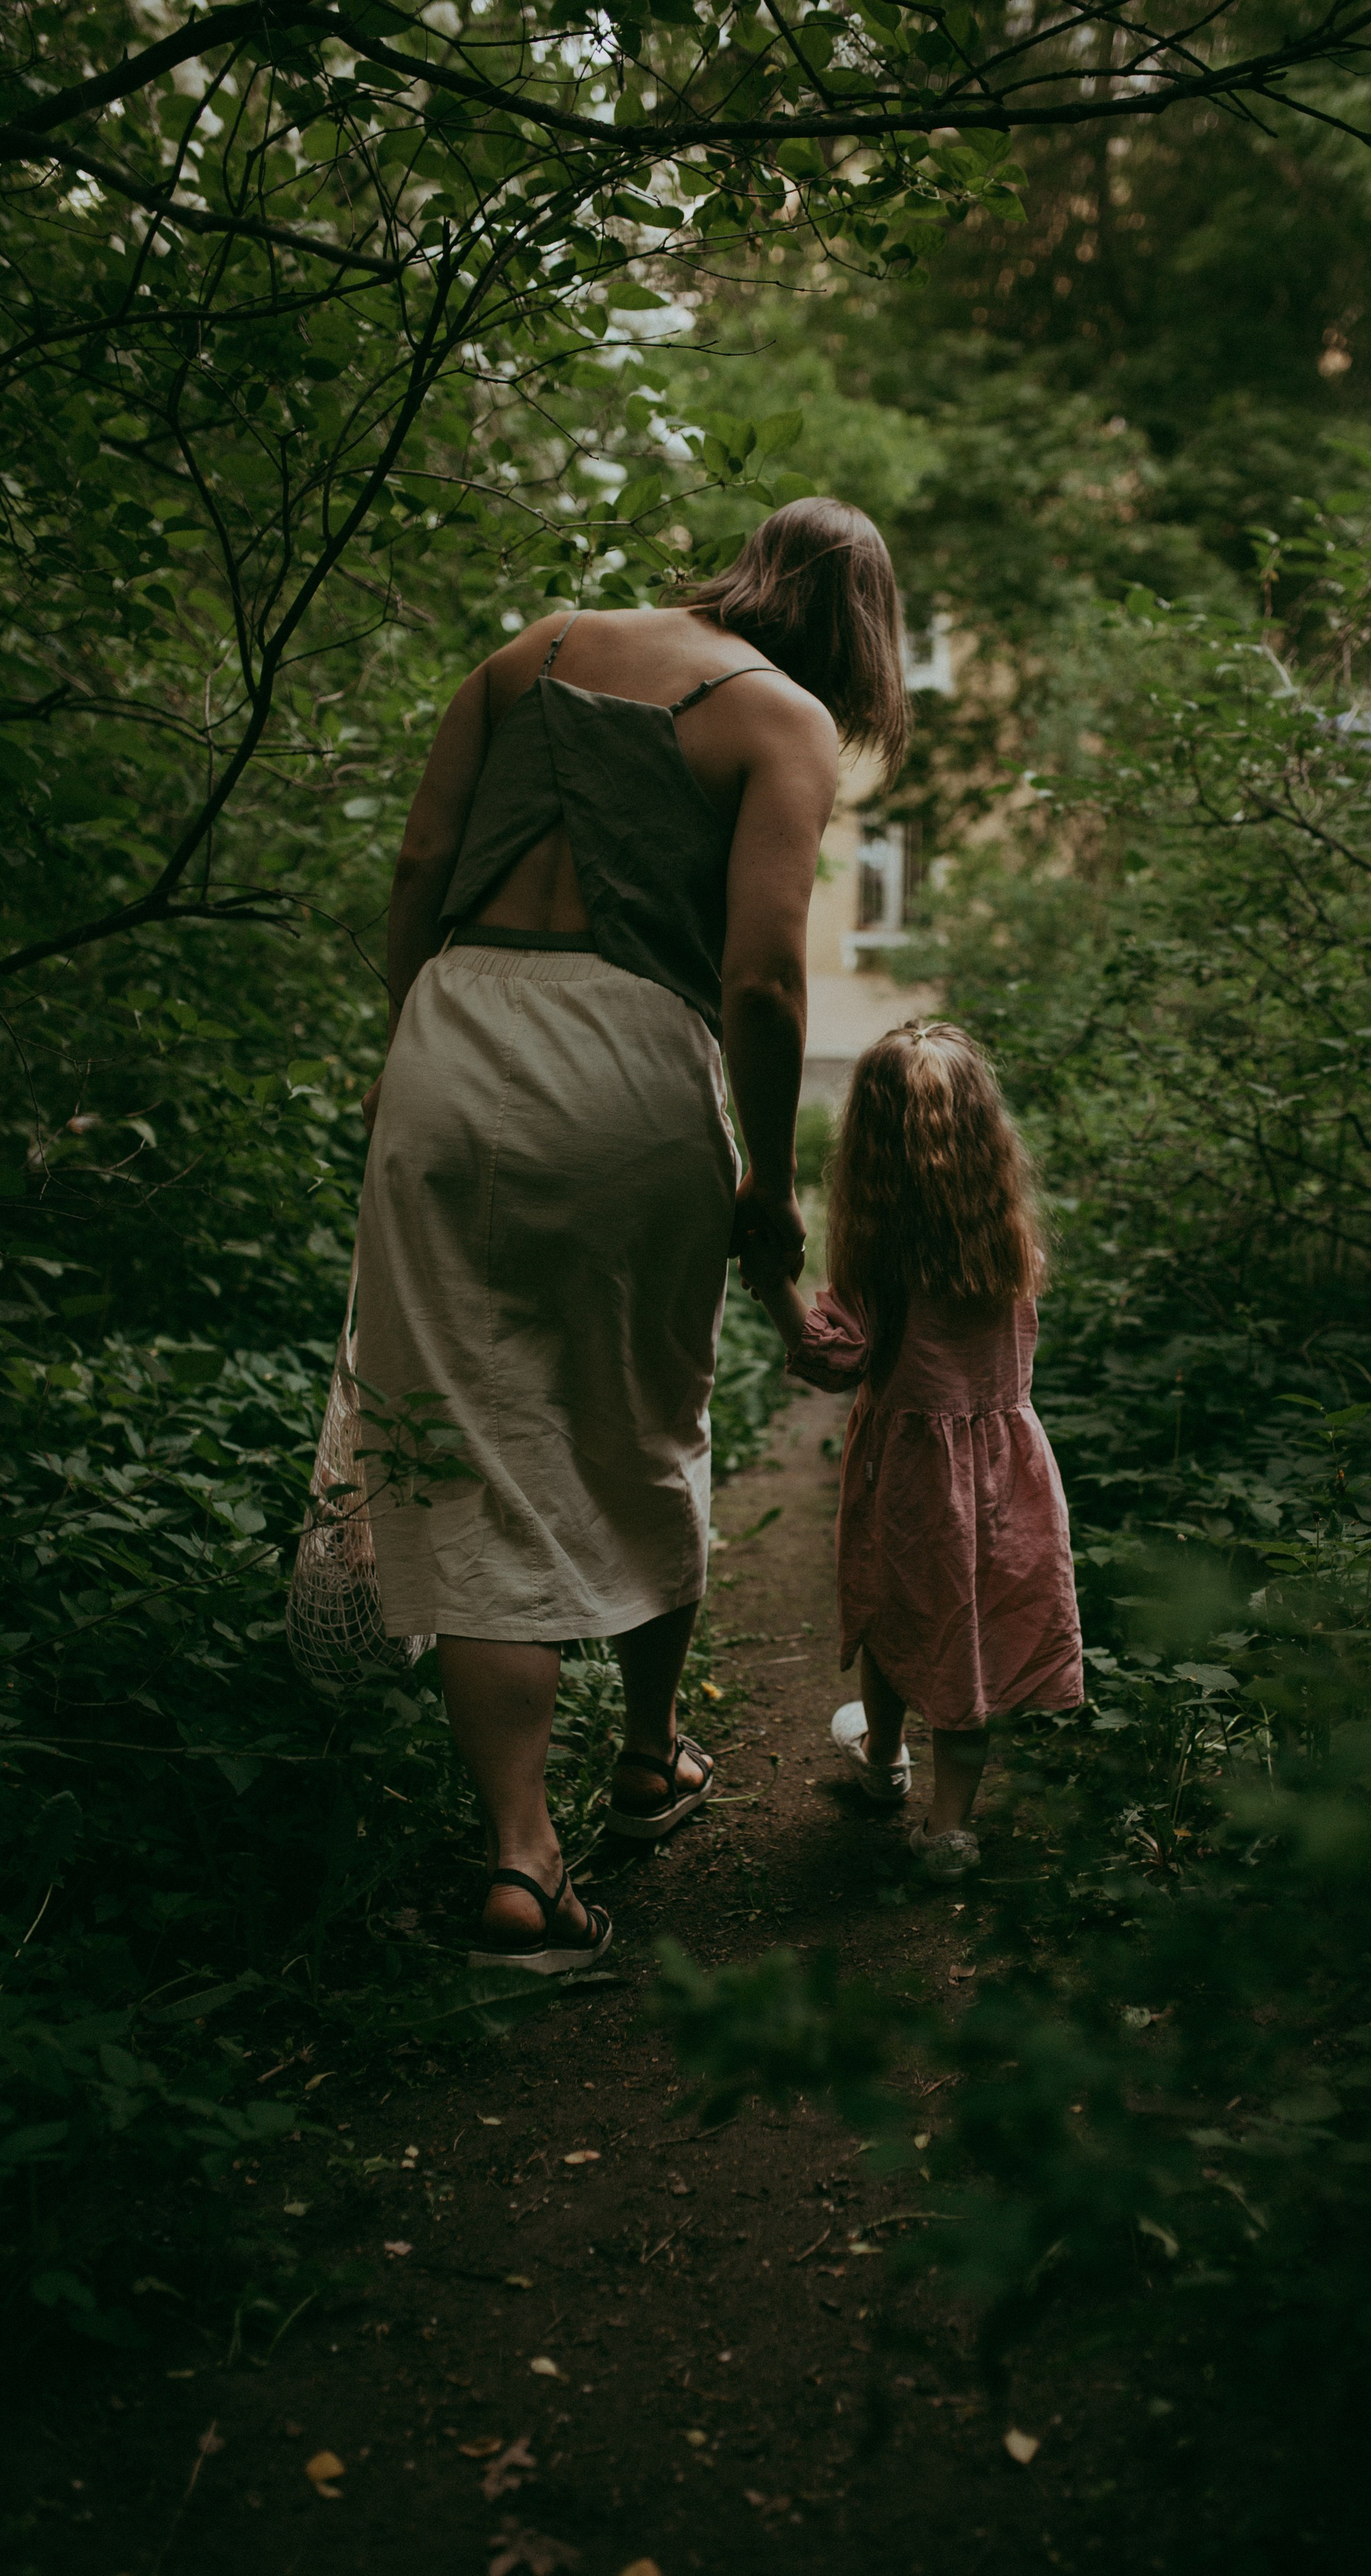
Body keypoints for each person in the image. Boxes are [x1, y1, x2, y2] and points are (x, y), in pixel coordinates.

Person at [353, 498, 910, 1972]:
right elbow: (764, 982)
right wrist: (772, 1186)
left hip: (450, 1036)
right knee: (642, 1416)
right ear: (864, 630)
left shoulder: (528, 651)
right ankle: (647, 1758)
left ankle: (520, 1862)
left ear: (743, 565)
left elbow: (415, 871)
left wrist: (409, 1046)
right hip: (626, 1069)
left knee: (469, 1438)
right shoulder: (777, 721)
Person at [740, 1022, 1085, 1880]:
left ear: (871, 1152)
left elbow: (834, 1362)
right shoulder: (1011, 1246)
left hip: (915, 1485)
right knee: (971, 1630)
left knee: (905, 1621)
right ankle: (949, 1825)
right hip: (1011, 1477)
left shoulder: (883, 1263)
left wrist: (775, 1288)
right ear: (984, 1138)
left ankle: (888, 1767)